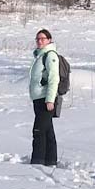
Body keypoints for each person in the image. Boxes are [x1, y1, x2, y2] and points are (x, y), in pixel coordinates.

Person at [29, 28, 60, 167]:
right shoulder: (40, 55)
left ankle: (38, 161)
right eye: (38, 39)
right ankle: (50, 161)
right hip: (38, 98)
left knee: (39, 131)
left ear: (49, 40)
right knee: (47, 131)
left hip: (45, 99)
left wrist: (50, 99)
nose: (40, 41)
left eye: (43, 39)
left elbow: (54, 78)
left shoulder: (50, 55)